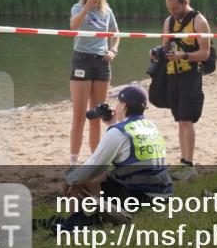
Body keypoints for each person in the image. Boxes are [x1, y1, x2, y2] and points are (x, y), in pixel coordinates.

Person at [63, 86, 173, 225]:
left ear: (124, 106)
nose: (115, 107)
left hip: (139, 196)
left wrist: (69, 179)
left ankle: (76, 219)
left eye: (118, 103)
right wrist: (111, 124)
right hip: (163, 193)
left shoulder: (118, 132)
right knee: (102, 175)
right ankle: (100, 213)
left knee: (80, 179)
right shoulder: (150, 126)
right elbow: (128, 147)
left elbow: (93, 167)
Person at [153, 0, 211, 177]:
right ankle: (183, 160)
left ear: (185, 3)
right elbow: (164, 48)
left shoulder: (199, 21)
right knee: (180, 120)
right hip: (171, 75)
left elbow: (205, 53)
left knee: (187, 119)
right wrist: (157, 53)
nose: (173, 13)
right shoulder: (168, 22)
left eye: (176, 9)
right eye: (170, 9)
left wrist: (184, 55)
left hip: (190, 74)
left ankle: (189, 163)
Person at [68, 0, 120, 165]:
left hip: (101, 62)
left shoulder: (107, 11)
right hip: (82, 60)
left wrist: (114, 49)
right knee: (79, 115)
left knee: (97, 114)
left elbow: (116, 34)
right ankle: (73, 162)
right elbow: (73, 27)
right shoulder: (78, 7)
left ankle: (95, 161)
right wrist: (86, 7)